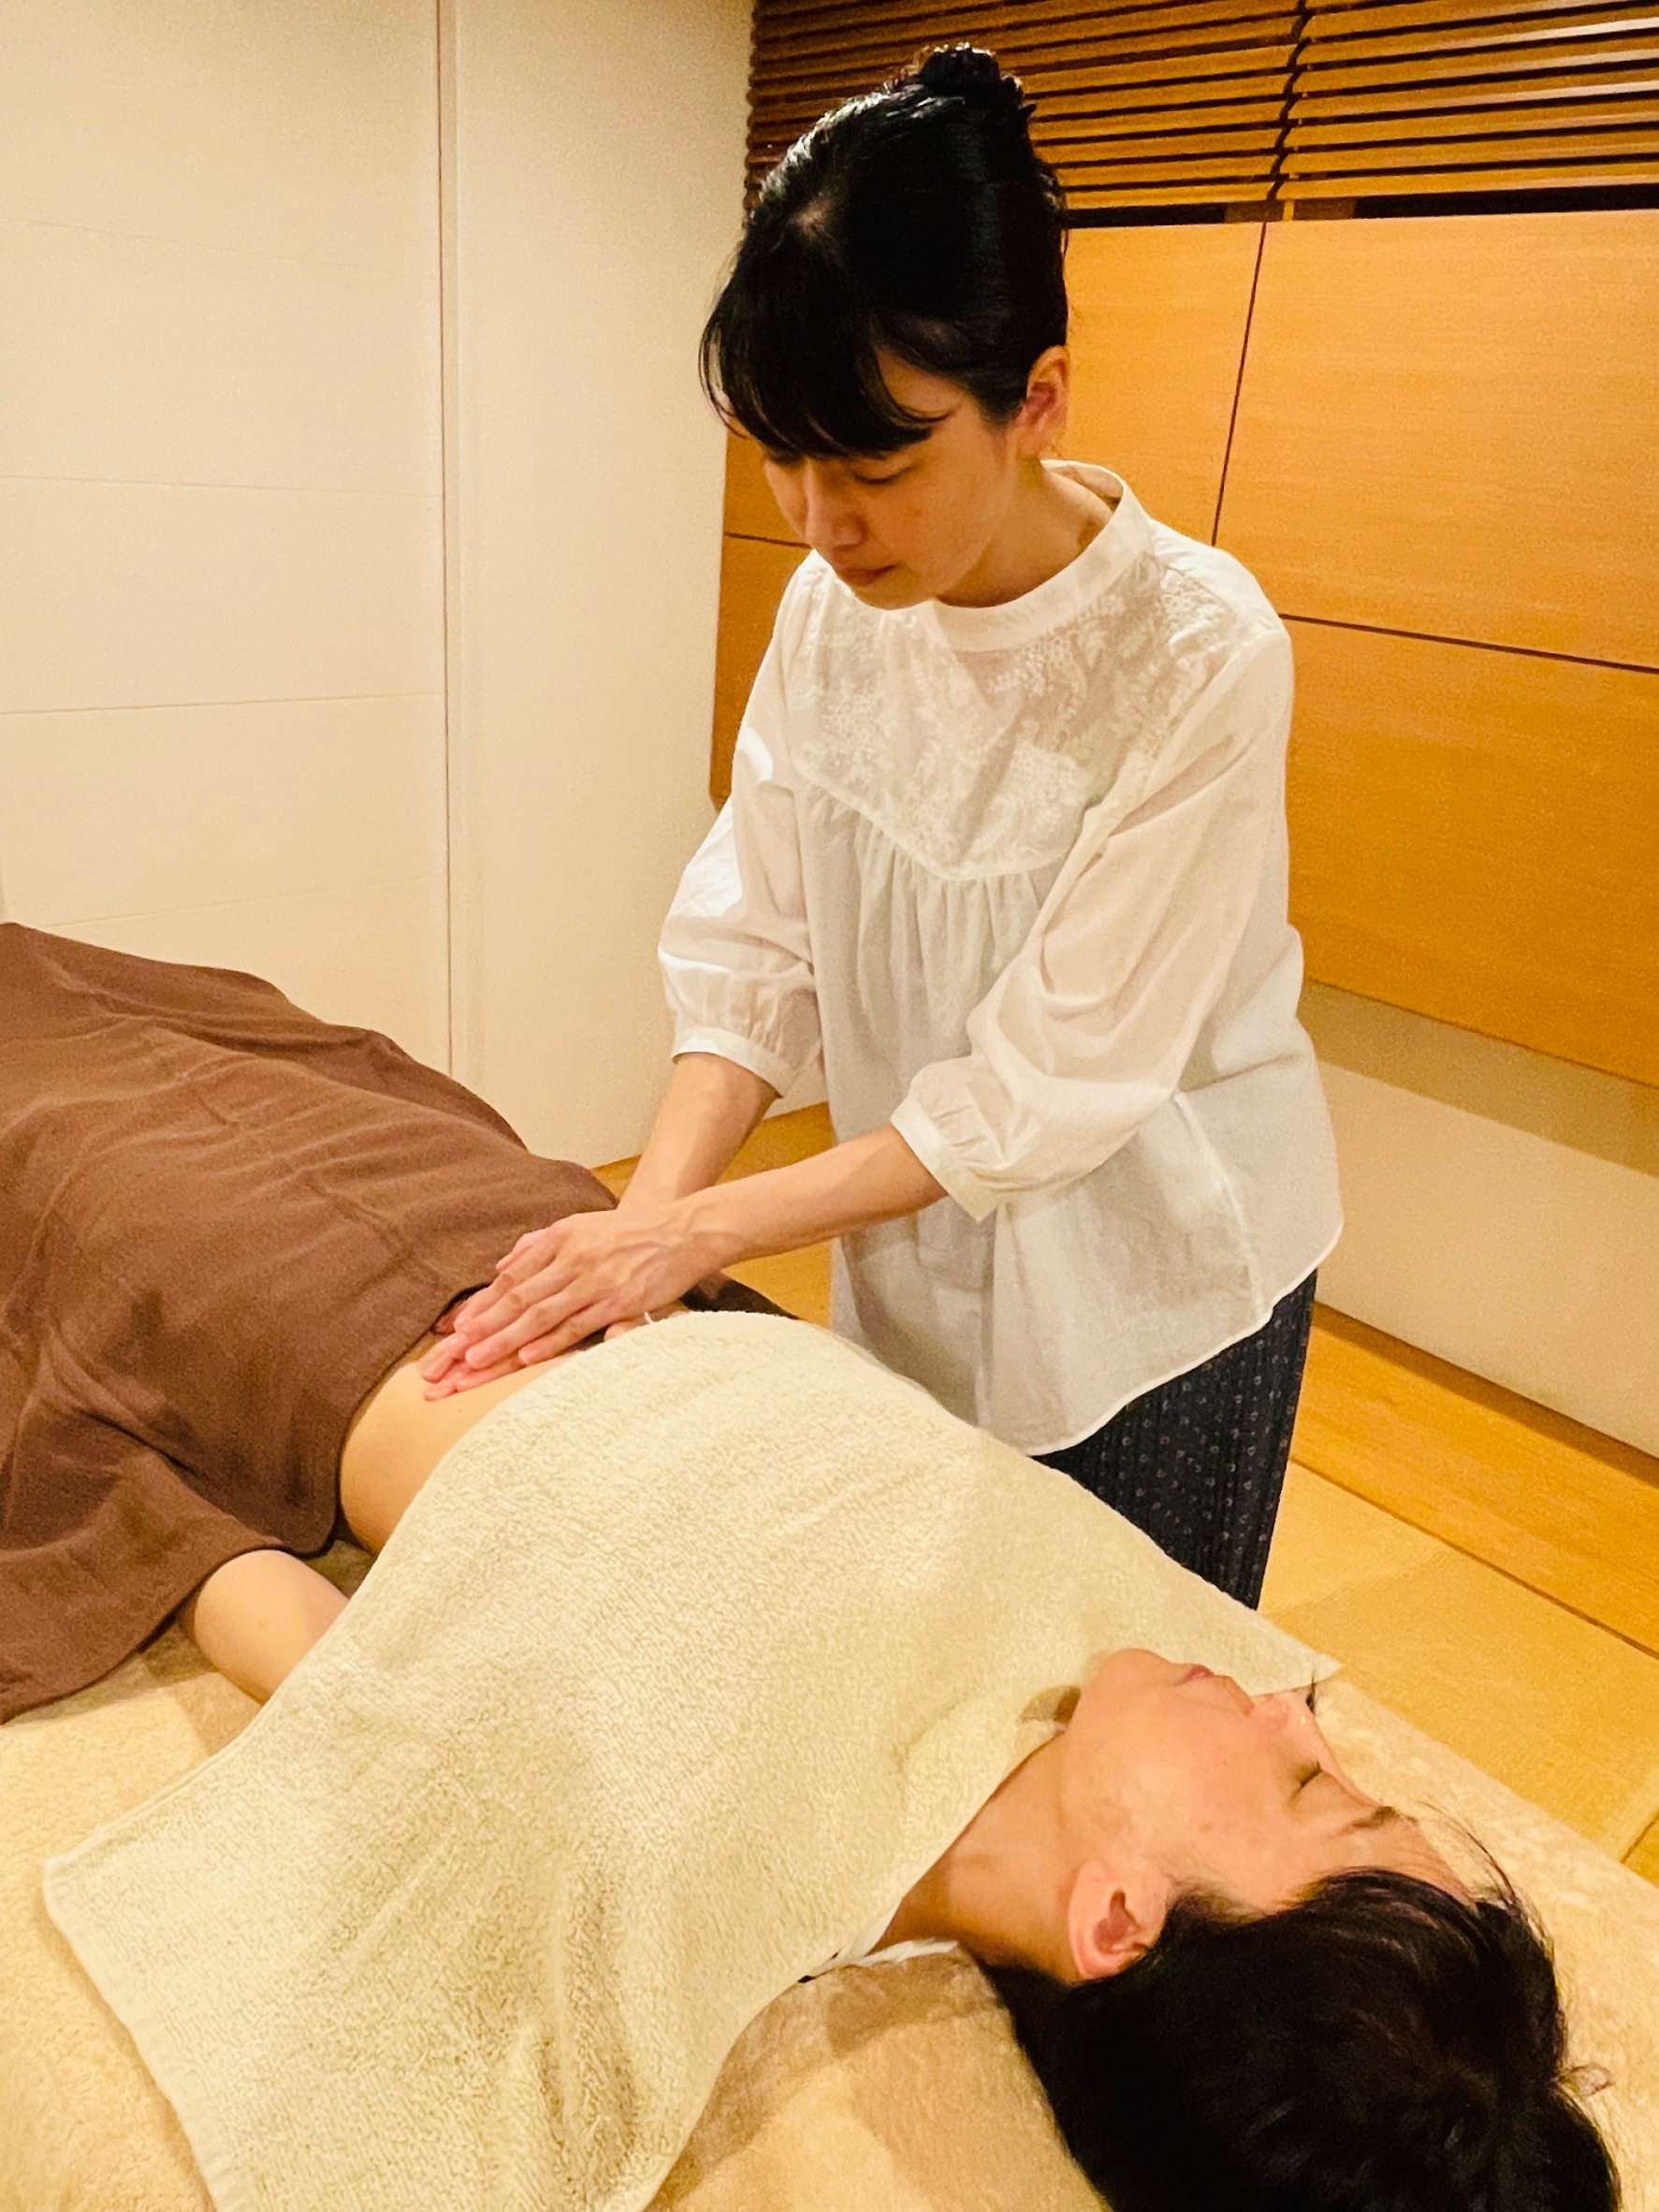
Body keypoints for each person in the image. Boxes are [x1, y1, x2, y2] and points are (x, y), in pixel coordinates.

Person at [0, 923, 1617, 2210]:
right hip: (561, 1242)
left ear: (1118, 1919)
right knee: (258, 1017)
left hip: (293, 1302)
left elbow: (347, 1696)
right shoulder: (1098, 1671)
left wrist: (154, 1503)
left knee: (47, 1070)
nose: (1291, 1712)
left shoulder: (694, 1856)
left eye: (1314, 1791)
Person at [423, 45, 1343, 1608]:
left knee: (1135, 1683)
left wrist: (698, 1233)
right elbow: (760, 944)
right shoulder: (832, 607)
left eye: (877, 461)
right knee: (933, 1651)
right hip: (914, 1239)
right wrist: (644, 1231)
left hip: (1152, 1277)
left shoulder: (1197, 651)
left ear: (1034, 400)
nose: (820, 519)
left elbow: (1049, 1083)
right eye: (782, 455)